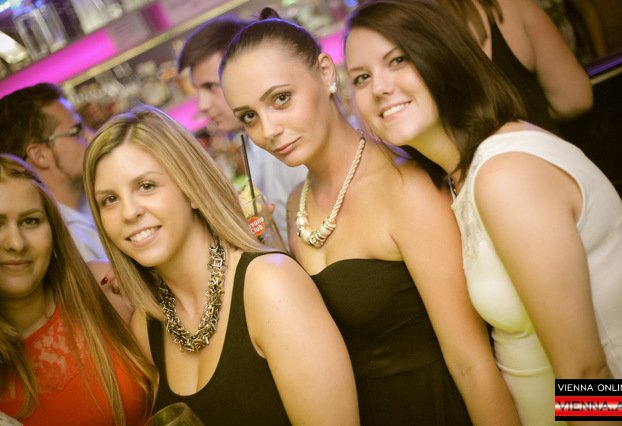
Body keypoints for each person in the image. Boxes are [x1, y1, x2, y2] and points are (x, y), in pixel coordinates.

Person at [343, 1, 622, 425]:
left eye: (398, 60)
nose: (379, 88)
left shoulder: (506, 176)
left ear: (443, 54)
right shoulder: (461, 175)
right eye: (361, 77)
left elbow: (586, 372)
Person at [219, 10, 519, 426]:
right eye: (249, 117)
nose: (268, 129)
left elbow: (473, 364)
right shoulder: (295, 204)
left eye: (281, 98)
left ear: (326, 73)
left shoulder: (407, 187)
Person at [82, 105, 359, 425]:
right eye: (109, 200)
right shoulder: (146, 326)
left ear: (191, 189)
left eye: (146, 186)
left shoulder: (270, 285)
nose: (129, 212)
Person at [0, 154, 154, 425]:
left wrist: (147, 279)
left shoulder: (104, 288)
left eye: (30, 221)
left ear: (53, 230)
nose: (16, 243)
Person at [178, 15, 307, 247]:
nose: (202, 105)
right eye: (198, 91)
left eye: (210, 87)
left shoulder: (287, 140)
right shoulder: (252, 145)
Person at [433, 0, 593, 134]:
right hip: (543, 152)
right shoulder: (510, 6)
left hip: (482, 161)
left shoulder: (421, 36)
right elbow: (576, 99)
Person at [0, 83, 106, 263]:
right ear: (40, 155)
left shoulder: (97, 199)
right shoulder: (63, 245)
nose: (90, 136)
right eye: (76, 131)